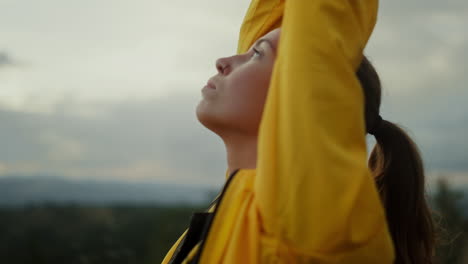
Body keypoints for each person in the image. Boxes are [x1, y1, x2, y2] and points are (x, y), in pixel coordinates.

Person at [162, 0, 435, 263]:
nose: (222, 61)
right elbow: (276, 20)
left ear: (308, 96)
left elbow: (320, 21)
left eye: (256, 53)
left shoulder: (306, 222)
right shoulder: (238, 213)